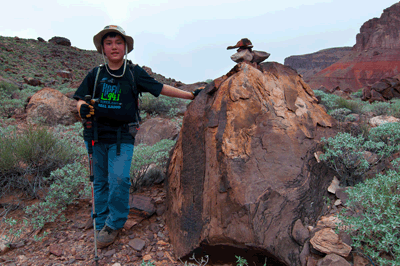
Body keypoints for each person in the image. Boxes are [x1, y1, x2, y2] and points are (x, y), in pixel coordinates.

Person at [73, 25, 201, 248]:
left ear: (126, 47)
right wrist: (82, 108)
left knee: (119, 179)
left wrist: (190, 95)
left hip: (122, 136)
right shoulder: (95, 74)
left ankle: (114, 223)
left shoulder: (133, 73)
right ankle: (100, 220)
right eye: (109, 43)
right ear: (102, 47)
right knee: (100, 181)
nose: (114, 47)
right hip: (95, 135)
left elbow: (160, 87)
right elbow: (80, 99)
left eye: (118, 42)